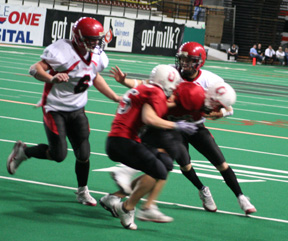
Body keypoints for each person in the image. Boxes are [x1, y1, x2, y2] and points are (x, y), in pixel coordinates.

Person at [101, 42, 257, 220]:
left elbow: (227, 106)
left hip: (195, 126)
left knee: (219, 162)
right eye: (182, 58)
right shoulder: (170, 72)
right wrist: (125, 82)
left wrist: (219, 112)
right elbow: (148, 85)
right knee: (175, 165)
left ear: (199, 62)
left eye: (189, 60)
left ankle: (241, 198)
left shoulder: (210, 80)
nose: (184, 63)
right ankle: (200, 189)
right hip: (170, 125)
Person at [6, 17, 121, 206]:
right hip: (55, 108)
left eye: (96, 39)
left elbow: (94, 76)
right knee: (59, 155)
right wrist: (52, 78)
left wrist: (114, 96)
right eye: (90, 39)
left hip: (78, 109)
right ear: (78, 37)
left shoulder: (97, 55)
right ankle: (24, 152)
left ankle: (82, 191)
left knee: (84, 154)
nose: (95, 43)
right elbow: (34, 69)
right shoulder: (62, 51)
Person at [104, 64, 199, 230]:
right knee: (159, 171)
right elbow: (149, 118)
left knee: (166, 163)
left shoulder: (147, 88)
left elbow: (155, 108)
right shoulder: (155, 92)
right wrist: (177, 126)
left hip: (121, 140)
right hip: (122, 142)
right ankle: (126, 208)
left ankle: (112, 198)